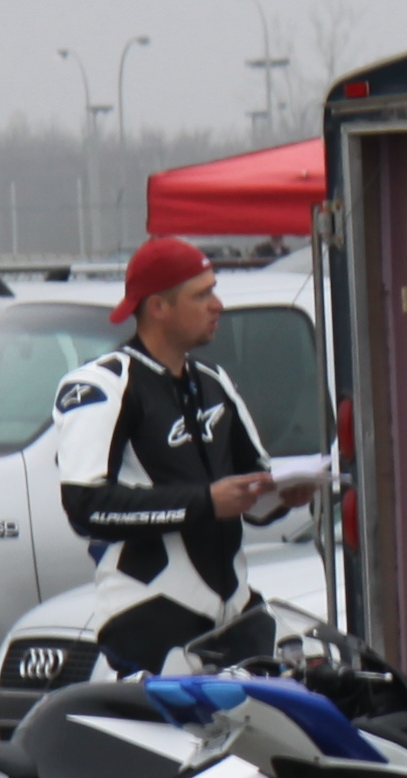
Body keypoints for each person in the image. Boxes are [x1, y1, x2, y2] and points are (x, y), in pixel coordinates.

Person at [47, 235, 285, 676]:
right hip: (149, 614)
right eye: (201, 295)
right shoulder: (104, 385)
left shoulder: (214, 380)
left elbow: (255, 483)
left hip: (235, 615)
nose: (217, 305)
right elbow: (86, 507)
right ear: (158, 307)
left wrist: (285, 493)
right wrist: (205, 502)